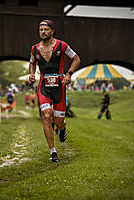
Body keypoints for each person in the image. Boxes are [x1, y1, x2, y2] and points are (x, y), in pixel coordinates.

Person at [29, 19, 80, 162]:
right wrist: (32, 73)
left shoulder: (62, 45)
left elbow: (76, 59)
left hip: (59, 87)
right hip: (44, 86)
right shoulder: (34, 49)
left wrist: (69, 74)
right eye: (40, 30)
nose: (43, 32)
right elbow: (32, 63)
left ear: (52, 31)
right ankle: (52, 151)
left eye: (45, 29)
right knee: (46, 116)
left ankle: (63, 127)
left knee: (58, 122)